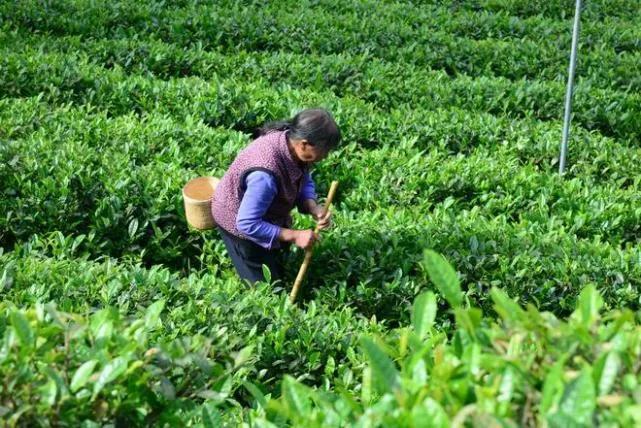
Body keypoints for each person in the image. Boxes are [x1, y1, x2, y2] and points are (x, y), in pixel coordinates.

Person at [211, 108, 340, 284]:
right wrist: (295, 235)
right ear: (304, 144)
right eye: (325, 150)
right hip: (237, 220)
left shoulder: (291, 144)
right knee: (266, 288)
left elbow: (304, 177)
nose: (326, 156)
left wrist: (312, 206)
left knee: (276, 264)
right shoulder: (264, 175)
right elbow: (247, 223)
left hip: (265, 213)